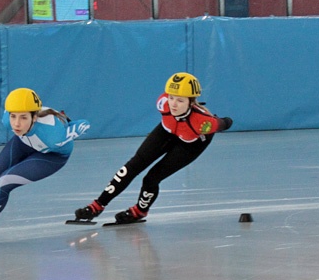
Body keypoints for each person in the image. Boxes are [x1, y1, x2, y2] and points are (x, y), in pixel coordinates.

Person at [72, 72, 232, 224]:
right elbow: (170, 104)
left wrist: (217, 121)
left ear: (191, 101)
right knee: (131, 167)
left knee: (151, 179)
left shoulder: (202, 122)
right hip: (167, 130)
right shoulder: (163, 103)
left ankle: (140, 211)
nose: (174, 104)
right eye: (172, 98)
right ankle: (97, 206)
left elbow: (226, 122)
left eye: (180, 100)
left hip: (191, 143)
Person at [0, 88, 90, 243]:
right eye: (13, 116)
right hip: (23, 142)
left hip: (52, 155)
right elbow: (15, 121)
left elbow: (84, 124)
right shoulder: (7, 120)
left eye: (23, 118)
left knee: (3, 183)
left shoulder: (54, 135)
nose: (17, 123)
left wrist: (72, 128)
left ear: (34, 117)